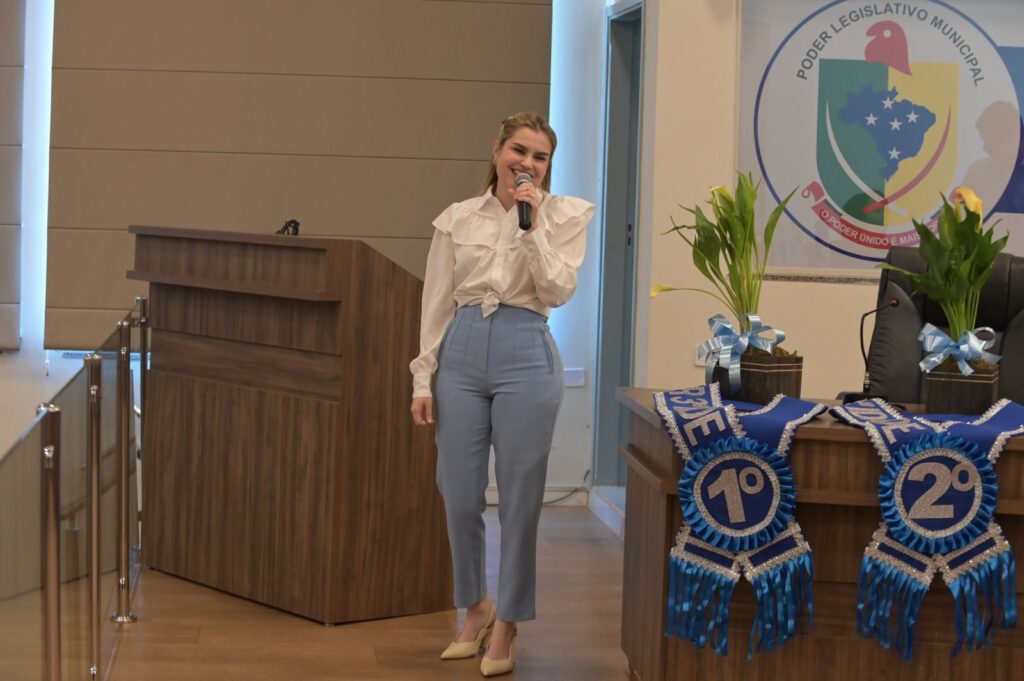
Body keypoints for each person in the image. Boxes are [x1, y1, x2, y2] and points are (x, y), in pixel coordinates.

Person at [409, 111, 594, 677]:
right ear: (496, 152)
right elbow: (436, 301)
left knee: (518, 499)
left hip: (526, 350)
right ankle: (476, 606)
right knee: (459, 492)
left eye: (540, 157)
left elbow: (557, 291)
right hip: (461, 352)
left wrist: (531, 228)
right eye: (519, 151)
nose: (527, 164)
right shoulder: (458, 218)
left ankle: (508, 622)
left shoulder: (563, 215)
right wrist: (423, 377)